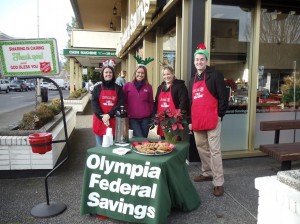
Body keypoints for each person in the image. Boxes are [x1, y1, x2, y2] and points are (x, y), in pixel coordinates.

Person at [189, 43, 228, 197]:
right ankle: (207, 172)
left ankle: (218, 182)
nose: (199, 62)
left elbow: (223, 97)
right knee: (201, 147)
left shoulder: (215, 75)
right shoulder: (193, 79)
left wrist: (220, 115)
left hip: (212, 119)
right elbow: (192, 102)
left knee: (215, 151)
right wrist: (191, 120)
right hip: (198, 120)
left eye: (202, 59)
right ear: (194, 62)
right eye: (197, 60)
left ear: (206, 61)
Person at [92, 60, 124, 146]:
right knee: (100, 147)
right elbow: (95, 104)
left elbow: (120, 103)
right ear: (102, 74)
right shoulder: (97, 88)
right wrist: (103, 117)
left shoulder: (118, 88)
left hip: (113, 120)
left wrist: (109, 115)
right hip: (100, 120)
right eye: (106, 72)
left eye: (110, 72)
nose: (108, 74)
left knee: (112, 146)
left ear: (113, 74)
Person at [153, 65, 189, 139]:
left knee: (174, 142)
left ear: (173, 74)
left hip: (175, 121)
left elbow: (184, 102)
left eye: (168, 74)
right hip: (162, 120)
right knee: (163, 143)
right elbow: (156, 103)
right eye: (164, 74)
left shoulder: (180, 86)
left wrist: (178, 117)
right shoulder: (160, 88)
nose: (166, 76)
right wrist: (155, 117)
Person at [123, 66, 153, 137]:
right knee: (140, 137)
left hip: (145, 119)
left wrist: (151, 116)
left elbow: (151, 102)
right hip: (133, 119)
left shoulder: (148, 86)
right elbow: (123, 101)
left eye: (142, 73)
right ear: (135, 73)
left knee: (144, 139)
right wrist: (126, 113)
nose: (140, 75)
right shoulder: (127, 85)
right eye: (138, 72)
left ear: (145, 75)